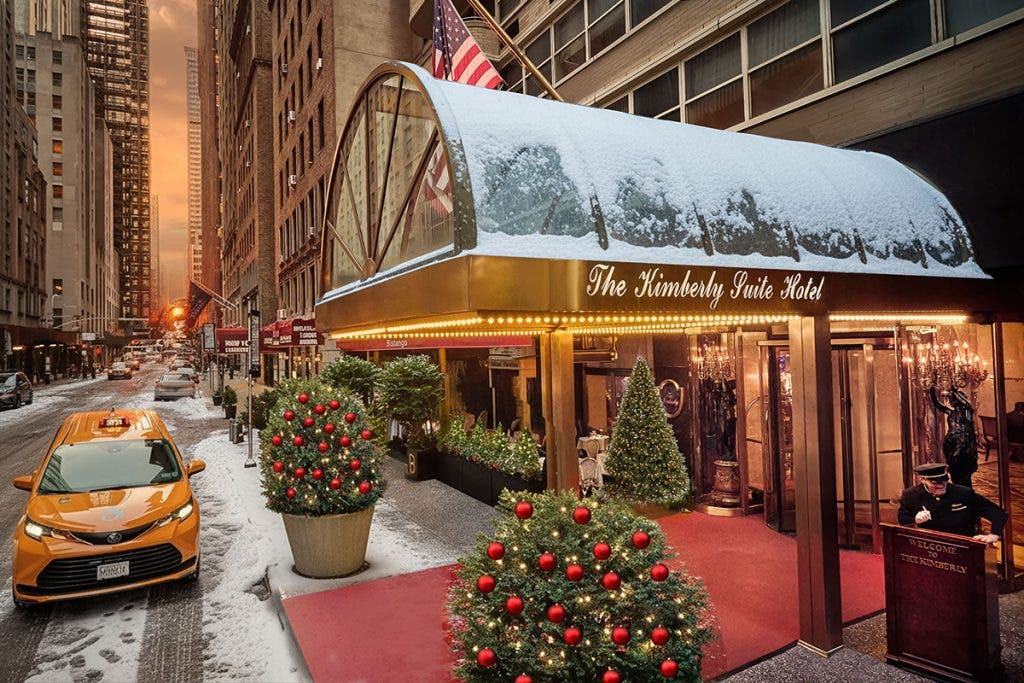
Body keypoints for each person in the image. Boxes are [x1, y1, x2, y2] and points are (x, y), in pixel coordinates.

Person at [898, 463, 1006, 543]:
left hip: (961, 545)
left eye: (944, 480)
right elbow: (902, 519)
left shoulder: (964, 493)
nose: (941, 485)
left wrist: (994, 535)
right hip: (927, 544)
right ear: (922, 479)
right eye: (934, 482)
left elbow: (998, 513)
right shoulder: (910, 495)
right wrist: (915, 520)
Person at [930, 386, 978, 487]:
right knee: (954, 471)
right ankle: (958, 490)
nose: (950, 401)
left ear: (957, 399)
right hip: (951, 444)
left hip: (963, 445)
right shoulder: (950, 412)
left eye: (951, 399)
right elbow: (937, 403)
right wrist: (932, 389)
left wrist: (953, 388)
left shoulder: (967, 412)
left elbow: (966, 403)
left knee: (963, 473)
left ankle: (966, 492)